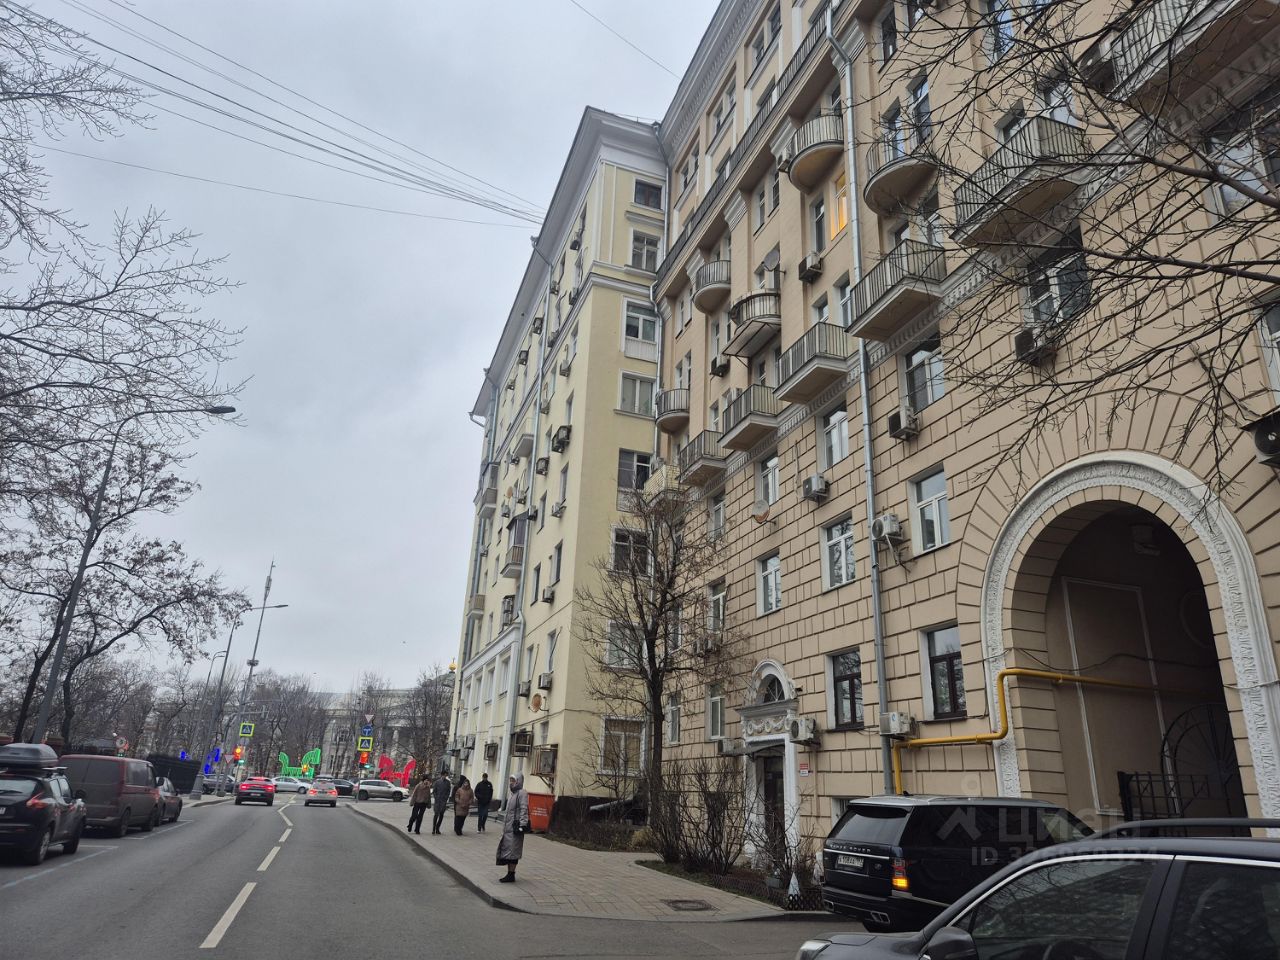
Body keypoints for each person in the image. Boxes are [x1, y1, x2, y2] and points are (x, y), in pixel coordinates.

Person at [495, 773, 530, 883]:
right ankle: (509, 873)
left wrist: (522, 824)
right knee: (508, 851)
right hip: (508, 828)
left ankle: (511, 874)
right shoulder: (512, 794)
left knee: (513, 851)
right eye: (510, 780)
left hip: (516, 828)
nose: (511, 782)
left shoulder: (522, 793)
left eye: (513, 780)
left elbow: (524, 809)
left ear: (518, 781)